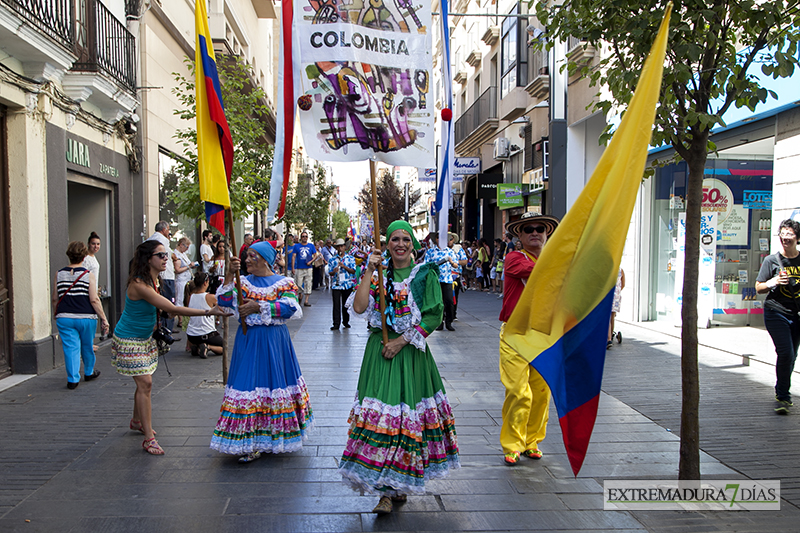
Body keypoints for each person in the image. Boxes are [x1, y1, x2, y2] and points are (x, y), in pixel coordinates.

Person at [339, 220, 459, 514]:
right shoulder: (377, 273)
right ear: (387, 244)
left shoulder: (424, 275)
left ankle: (399, 483)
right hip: (380, 353)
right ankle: (385, 491)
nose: (401, 244)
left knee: (407, 421)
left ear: (413, 244)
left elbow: (432, 315)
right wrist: (369, 269)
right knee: (383, 419)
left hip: (411, 353)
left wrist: (401, 341)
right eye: (395, 239)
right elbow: (358, 307)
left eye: (406, 238)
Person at [112, 240, 230, 455]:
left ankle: (137, 421)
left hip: (145, 337)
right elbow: (173, 308)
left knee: (143, 381)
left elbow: (166, 311)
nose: (167, 258)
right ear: (149, 259)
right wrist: (209, 312)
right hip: (129, 338)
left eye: (166, 254)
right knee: (145, 382)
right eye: (161, 255)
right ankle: (148, 439)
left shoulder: (153, 281)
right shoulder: (139, 284)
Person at [211, 241, 313, 463]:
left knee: (272, 385)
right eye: (246, 256)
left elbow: (291, 308)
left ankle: (272, 437)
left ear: (266, 259)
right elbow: (223, 302)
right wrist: (229, 275)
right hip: (249, 340)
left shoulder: (284, 282)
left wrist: (258, 306)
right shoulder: (243, 282)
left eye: (252, 256)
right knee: (248, 385)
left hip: (275, 341)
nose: (247, 260)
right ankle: (251, 439)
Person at [498, 212, 559, 465]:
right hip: (515, 334)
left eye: (540, 229)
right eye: (528, 229)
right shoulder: (514, 258)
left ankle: (531, 441)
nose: (535, 232)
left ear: (547, 234)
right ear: (519, 236)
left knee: (541, 392)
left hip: (544, 335)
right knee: (518, 392)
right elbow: (542, 271)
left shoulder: (555, 260)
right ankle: (512, 444)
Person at [756, 219, 800, 414]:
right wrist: (772, 282)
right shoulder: (771, 260)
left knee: (792, 356)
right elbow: (758, 287)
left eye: (789, 234)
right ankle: (783, 396)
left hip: (797, 314)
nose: (785, 238)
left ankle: (781, 389)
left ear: (797, 238)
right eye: (782, 234)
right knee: (786, 353)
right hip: (776, 312)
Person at [53, 241, 109, 389]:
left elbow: (55, 298)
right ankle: (89, 372)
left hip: (64, 316)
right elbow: (94, 299)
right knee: (87, 345)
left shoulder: (59, 274)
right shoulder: (87, 275)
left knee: (70, 347)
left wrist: (56, 312)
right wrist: (104, 318)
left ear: (69, 255)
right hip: (86, 317)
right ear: (84, 257)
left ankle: (72, 379)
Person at [423, 233, 458, 331]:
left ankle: (449, 321)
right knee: (439, 302)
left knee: (449, 301)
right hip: (436, 280)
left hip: (447, 279)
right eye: (438, 237)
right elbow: (426, 265)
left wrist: (451, 262)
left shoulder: (450, 252)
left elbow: (456, 265)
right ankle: (440, 322)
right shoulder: (430, 252)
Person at [185, 272, 224, 358]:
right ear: (205, 283)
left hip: (191, 335)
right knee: (224, 347)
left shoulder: (190, 296)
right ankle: (208, 347)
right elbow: (223, 308)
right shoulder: (210, 297)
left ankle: (198, 347)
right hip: (207, 334)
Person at [147, 221, 176, 333]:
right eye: (168, 230)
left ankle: (162, 327)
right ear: (164, 230)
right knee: (168, 301)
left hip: (158, 276)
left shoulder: (150, 239)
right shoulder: (162, 241)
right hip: (166, 276)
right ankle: (167, 329)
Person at [327, 238, 356, 330]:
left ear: (345, 247)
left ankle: (346, 321)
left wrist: (344, 266)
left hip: (347, 284)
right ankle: (336, 323)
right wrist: (334, 271)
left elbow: (353, 271)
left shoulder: (350, 258)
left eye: (342, 246)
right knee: (336, 304)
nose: (340, 248)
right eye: (338, 247)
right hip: (336, 284)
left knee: (346, 304)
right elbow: (330, 272)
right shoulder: (332, 259)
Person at [173, 237, 199, 329]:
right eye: (186, 247)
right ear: (181, 245)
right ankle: (180, 320)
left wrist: (192, 266)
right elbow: (177, 269)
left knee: (186, 299)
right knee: (179, 299)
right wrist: (189, 266)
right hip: (181, 280)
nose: (187, 249)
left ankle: (184, 319)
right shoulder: (176, 255)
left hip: (186, 279)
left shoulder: (183, 254)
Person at [291, 231, 317, 307]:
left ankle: (306, 300)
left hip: (308, 268)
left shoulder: (311, 246)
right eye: (303, 236)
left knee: (308, 283)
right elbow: (293, 257)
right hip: (299, 268)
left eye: (306, 236)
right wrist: (293, 267)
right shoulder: (296, 246)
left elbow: (315, 255)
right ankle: (300, 294)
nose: (304, 238)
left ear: (307, 238)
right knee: (298, 284)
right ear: (301, 238)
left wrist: (311, 261)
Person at [448, 233, 468, 321]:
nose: (449, 241)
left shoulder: (458, 249)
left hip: (455, 275)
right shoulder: (441, 249)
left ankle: (453, 314)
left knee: (454, 296)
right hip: (443, 276)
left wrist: (454, 262)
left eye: (451, 239)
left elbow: (465, 261)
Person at [607, 269, 625, 349]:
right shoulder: (621, 270)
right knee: (612, 318)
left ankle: (608, 339)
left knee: (607, 318)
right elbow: (623, 284)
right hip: (617, 296)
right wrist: (617, 291)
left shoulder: (609, 269)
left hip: (609, 295)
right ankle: (611, 335)